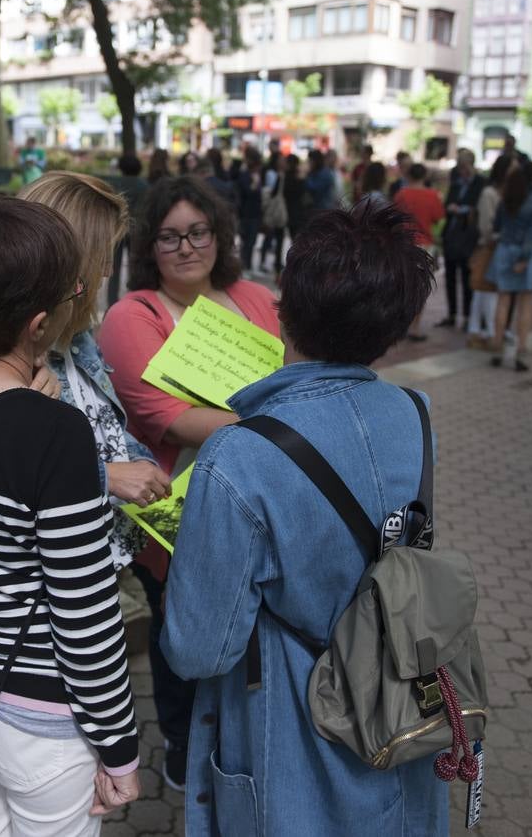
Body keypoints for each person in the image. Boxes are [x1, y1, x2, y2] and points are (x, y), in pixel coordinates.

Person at [160, 198, 446, 836]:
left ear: (283, 311)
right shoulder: (416, 414)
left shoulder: (240, 455)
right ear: (395, 325)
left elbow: (198, 648)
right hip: (398, 705)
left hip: (290, 734)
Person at [0, 195, 141, 833]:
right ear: (40, 323)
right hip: (40, 717)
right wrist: (120, 748)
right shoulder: (54, 433)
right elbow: (85, 611)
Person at [98, 175, 280, 792]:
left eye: (197, 232)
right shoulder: (133, 315)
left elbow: (296, 370)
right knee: (181, 637)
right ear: (151, 246)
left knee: (249, 626)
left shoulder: (253, 297)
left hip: (260, 505)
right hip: (177, 514)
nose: (185, 247)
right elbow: (161, 415)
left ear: (219, 234)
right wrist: (276, 417)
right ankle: (180, 744)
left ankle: (240, 738)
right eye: (170, 236)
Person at [20, 172, 172, 561]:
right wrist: (109, 476)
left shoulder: (78, 337)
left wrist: (139, 463)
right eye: (102, 254)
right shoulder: (10, 356)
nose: (106, 270)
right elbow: (9, 478)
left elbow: (105, 427)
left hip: (108, 553)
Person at [487, 162, 532, 371]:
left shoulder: (507, 198)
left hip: (504, 250)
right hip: (526, 255)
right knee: (525, 305)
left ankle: (497, 348)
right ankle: (520, 353)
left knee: (503, 301)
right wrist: (524, 258)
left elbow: (497, 227)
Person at [467, 153, 515, 349]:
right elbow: (486, 226)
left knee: (485, 292)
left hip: (497, 247)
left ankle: (481, 331)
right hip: (490, 247)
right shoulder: (489, 194)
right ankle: (487, 333)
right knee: (486, 291)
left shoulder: (506, 193)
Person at [394, 162, 445, 341]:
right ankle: (414, 327)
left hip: (404, 242)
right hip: (426, 244)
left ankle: (400, 325)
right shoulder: (432, 196)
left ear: (409, 176)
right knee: (421, 286)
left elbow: (394, 218)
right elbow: (439, 219)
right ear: (425, 177)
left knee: (403, 285)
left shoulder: (401, 194)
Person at [439, 148, 484, 328]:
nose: (462, 172)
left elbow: (479, 207)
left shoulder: (480, 183)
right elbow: (447, 203)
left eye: (465, 167)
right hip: (452, 233)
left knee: (466, 277)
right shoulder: (456, 183)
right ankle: (452, 313)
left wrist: (463, 209)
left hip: (468, 235)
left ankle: (466, 315)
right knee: (450, 276)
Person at [108, 155, 148, 305]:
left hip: (117, 229)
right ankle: (134, 299)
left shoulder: (115, 184)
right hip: (136, 230)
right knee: (135, 266)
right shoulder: (143, 185)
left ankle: (112, 301)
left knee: (114, 268)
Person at [267, 152, 305, 275]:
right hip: (295, 214)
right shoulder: (300, 179)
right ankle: (294, 268)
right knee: (295, 242)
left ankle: (277, 269)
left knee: (279, 241)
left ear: (288, 164)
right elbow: (302, 196)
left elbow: (273, 194)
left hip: (281, 213)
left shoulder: (282, 177)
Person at [235, 146, 265, 271]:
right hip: (247, 213)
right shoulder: (245, 174)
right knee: (247, 242)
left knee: (251, 242)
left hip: (253, 212)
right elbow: (247, 191)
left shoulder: (255, 174)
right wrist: (255, 183)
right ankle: (244, 267)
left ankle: (247, 266)